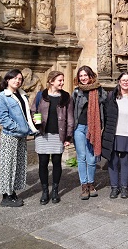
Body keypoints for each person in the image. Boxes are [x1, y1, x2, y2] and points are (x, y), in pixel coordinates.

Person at [0, 69, 38, 207]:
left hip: (22, 135)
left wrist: (31, 122)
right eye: (14, 78)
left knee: (18, 164)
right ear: (7, 80)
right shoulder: (2, 96)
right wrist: (17, 127)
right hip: (10, 135)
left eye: (19, 79)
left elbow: (25, 114)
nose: (17, 81)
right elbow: (2, 118)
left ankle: (12, 192)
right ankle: (5, 196)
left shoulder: (22, 95)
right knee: (8, 165)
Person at [32, 71, 74, 205]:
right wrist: (35, 120)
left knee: (57, 162)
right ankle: (45, 191)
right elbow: (33, 110)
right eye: (59, 80)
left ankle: (55, 190)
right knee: (43, 163)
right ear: (51, 81)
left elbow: (70, 118)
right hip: (43, 134)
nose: (62, 83)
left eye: (62, 80)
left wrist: (68, 136)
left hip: (58, 135)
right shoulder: (41, 95)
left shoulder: (66, 97)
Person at [101, 72, 128, 199]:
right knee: (112, 160)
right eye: (123, 80)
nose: (125, 82)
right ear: (119, 81)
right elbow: (105, 115)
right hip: (114, 133)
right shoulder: (111, 97)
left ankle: (124, 187)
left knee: (125, 161)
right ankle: (114, 187)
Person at [72, 66, 107, 200]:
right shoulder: (76, 92)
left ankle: (91, 184)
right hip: (79, 128)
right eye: (81, 76)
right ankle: (84, 185)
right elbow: (72, 110)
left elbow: (105, 107)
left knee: (92, 158)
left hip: (94, 128)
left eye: (85, 75)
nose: (83, 78)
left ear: (91, 76)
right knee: (81, 157)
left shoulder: (99, 91)